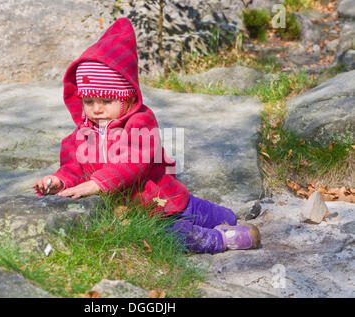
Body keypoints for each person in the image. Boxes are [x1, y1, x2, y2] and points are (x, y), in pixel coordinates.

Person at [33, 18, 260, 254]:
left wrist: (98, 183)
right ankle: (221, 239)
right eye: (89, 101)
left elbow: (134, 160)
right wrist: (60, 180)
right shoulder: (82, 134)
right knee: (173, 235)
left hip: (162, 197)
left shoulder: (141, 122)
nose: (96, 109)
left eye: (107, 100)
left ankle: (230, 217)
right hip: (140, 215)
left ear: (129, 98)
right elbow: (74, 167)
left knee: (198, 210)